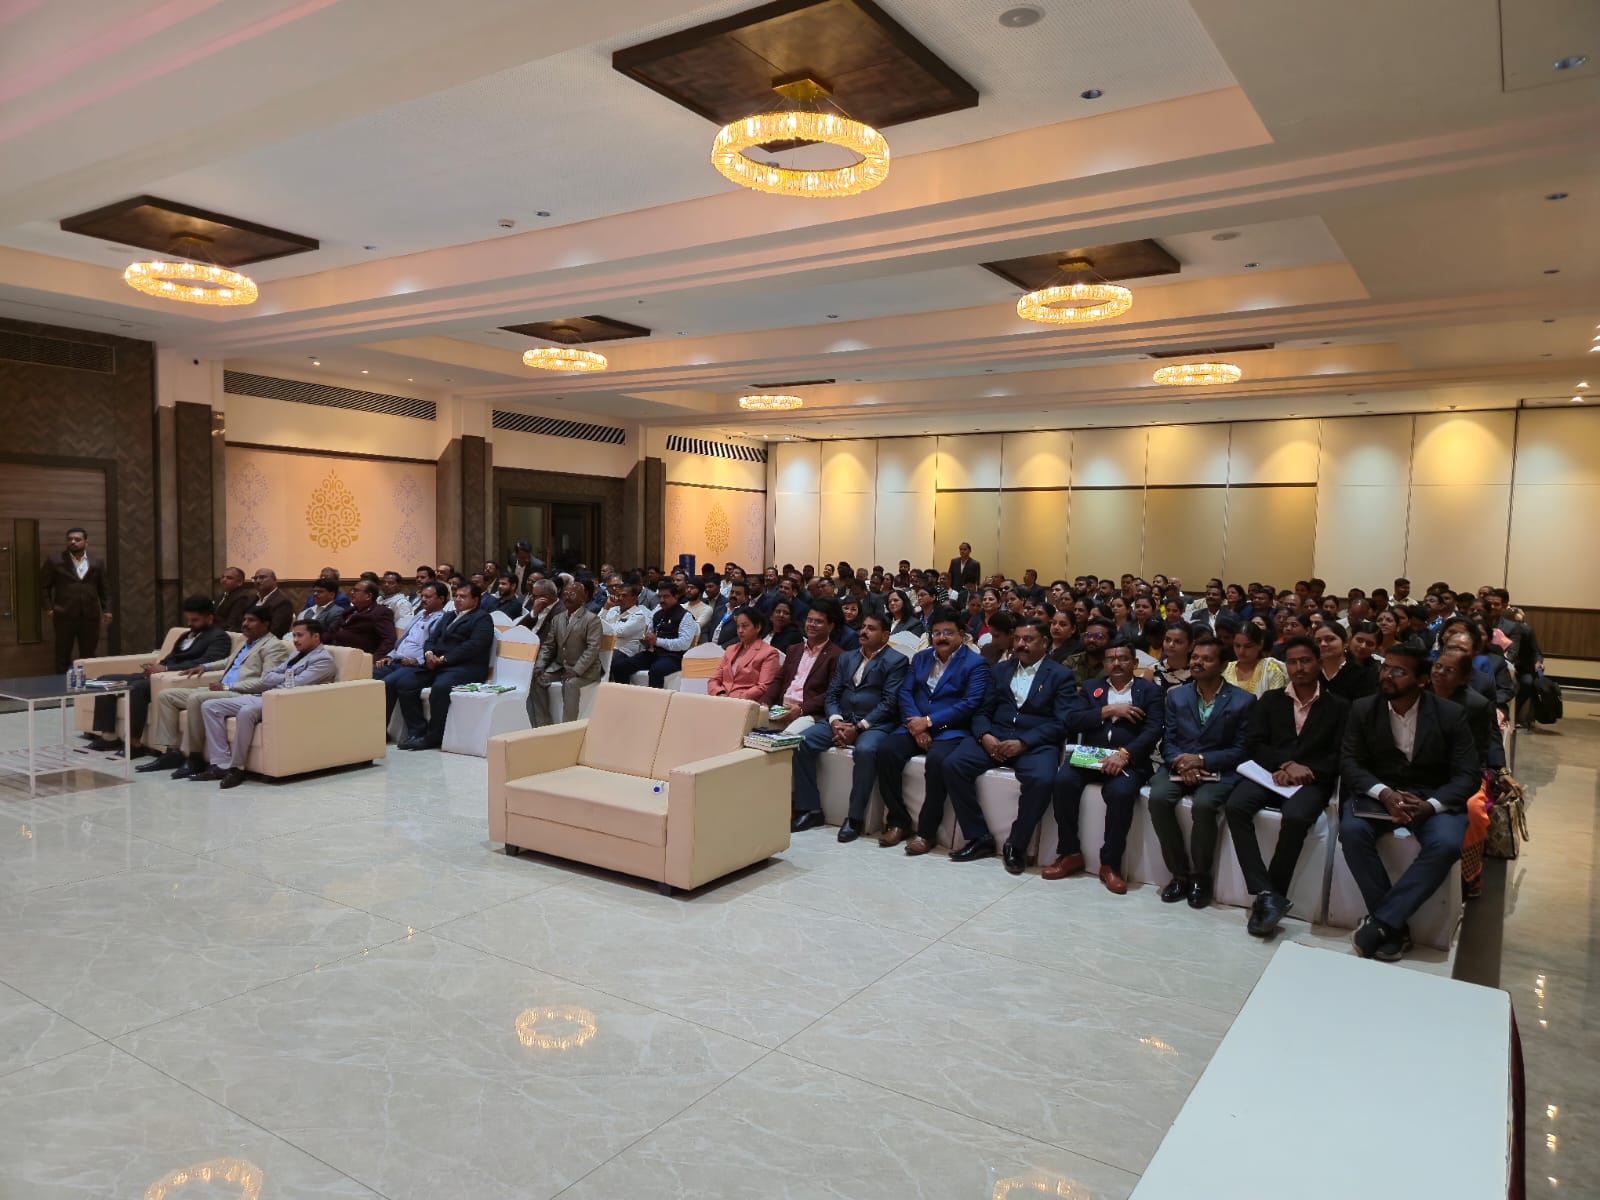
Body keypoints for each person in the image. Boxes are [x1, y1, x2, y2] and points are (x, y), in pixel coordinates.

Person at [1338, 643, 1479, 961]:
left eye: (1398, 671)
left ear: (1422, 679)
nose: (1387, 676)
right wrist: (1384, 793)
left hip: (1431, 797)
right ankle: (1394, 927)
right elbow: (1349, 762)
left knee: (1446, 844)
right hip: (1380, 794)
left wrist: (1431, 805)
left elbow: (1468, 774)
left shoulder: (1450, 715)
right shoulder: (1363, 709)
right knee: (1352, 832)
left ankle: (1382, 922)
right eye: (1385, 667)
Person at [1223, 636, 1350, 936]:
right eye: (1292, 662)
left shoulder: (1339, 706)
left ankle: (1272, 896)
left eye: (1305, 660)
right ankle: (1265, 892)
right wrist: (1284, 765)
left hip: (1312, 780)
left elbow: (1341, 753)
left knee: (1296, 817)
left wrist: (1308, 770)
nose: (1299, 667)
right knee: (1236, 806)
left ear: (1319, 662)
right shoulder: (1271, 700)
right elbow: (1255, 743)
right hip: (1271, 774)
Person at [944, 618, 1079, 871]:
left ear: (1044, 642)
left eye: (1028, 639)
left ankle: (1016, 844)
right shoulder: (999, 670)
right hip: (995, 736)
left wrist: (1024, 742)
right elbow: (982, 710)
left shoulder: (1061, 675)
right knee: (953, 764)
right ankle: (979, 836)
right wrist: (984, 735)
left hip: (1035, 742)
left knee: (1042, 779)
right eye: (1017, 639)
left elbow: (1063, 722)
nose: (1020, 644)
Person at [1049, 640, 1165, 893]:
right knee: (1063, 781)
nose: (1117, 663)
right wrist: (1109, 710)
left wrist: (1125, 754)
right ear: (1104, 663)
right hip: (1093, 754)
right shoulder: (1092, 687)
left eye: (1123, 658)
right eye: (1111, 659)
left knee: (1120, 793)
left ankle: (1110, 864)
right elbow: (1073, 720)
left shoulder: (1149, 691)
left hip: (1128, 758)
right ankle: (1069, 853)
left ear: (1134, 662)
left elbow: (1154, 729)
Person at [1147, 636, 1255, 908]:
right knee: (1158, 797)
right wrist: (1182, 763)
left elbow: (1242, 749)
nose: (1197, 662)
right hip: (1179, 765)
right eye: (1195, 657)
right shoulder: (1177, 695)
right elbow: (1168, 740)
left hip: (1220, 769)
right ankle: (1179, 874)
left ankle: (1200, 876)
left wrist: (1203, 760)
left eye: (1206, 659)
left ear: (1223, 665)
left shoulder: (1243, 700)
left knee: (1205, 805)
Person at [875, 608, 992, 855]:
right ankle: (898, 821)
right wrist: (916, 724)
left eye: (948, 632)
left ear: (961, 634)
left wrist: (928, 722)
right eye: (936, 633)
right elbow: (906, 693)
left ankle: (926, 833)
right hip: (915, 723)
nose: (941, 638)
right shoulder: (921, 658)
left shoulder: (976, 663)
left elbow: (970, 703)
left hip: (951, 729)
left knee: (938, 762)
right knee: (886, 751)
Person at [790, 612, 907, 841]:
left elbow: (889, 703)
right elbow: (832, 694)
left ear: (885, 635)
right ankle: (810, 809)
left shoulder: (897, 661)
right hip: (841, 719)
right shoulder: (847, 657)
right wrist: (835, 720)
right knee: (802, 743)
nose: (863, 631)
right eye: (863, 627)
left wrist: (859, 727)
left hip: (874, 724)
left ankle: (854, 818)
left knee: (865, 751)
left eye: (871, 628)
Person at [137, 606, 292, 776]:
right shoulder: (246, 642)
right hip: (221, 688)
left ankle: (195, 758)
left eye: (251, 620)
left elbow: (266, 682)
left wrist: (228, 687)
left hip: (240, 693)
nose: (245, 624)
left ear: (265, 624)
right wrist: (204, 666)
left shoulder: (273, 647)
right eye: (244, 619)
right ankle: (171, 752)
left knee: (196, 699)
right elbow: (229, 661)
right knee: (166, 696)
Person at [195, 617, 338, 788]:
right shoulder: (296, 654)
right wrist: (280, 678)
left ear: (316, 637)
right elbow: (268, 676)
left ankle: (237, 768)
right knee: (210, 706)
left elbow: (294, 685)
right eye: (294, 635)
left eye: (300, 635)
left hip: (285, 701)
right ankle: (221, 763)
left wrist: (277, 678)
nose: (295, 640)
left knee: (246, 711)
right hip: (264, 695)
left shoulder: (323, 660)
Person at [87, 595, 232, 755]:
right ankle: (109, 737)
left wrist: (166, 669)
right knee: (104, 681)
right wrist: (155, 667)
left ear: (209, 618)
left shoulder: (219, 637)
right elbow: (171, 657)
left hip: (175, 679)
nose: (189, 624)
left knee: (137, 688)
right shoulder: (186, 635)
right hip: (158, 676)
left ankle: (134, 744)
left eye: (194, 620)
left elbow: (205, 663)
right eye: (188, 619)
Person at [394, 583, 495, 749]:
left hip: (465, 667)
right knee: (406, 684)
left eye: (463, 597)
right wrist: (428, 654)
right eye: (456, 596)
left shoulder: (482, 618)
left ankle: (434, 736)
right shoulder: (448, 616)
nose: (458, 599)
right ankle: (417, 730)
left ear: (475, 600)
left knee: (440, 688)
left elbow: (474, 645)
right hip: (437, 664)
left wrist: (444, 659)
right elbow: (431, 639)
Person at [528, 578, 603, 727]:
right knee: (536, 679)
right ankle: (544, 725)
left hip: (586, 670)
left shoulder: (592, 619)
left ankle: (568, 728)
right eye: (565, 594)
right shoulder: (558, 618)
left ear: (583, 599)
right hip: (561, 666)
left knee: (570, 684)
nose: (567, 597)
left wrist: (576, 670)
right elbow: (548, 646)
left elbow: (593, 649)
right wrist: (540, 665)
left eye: (572, 594)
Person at [764, 599, 845, 733]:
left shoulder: (838, 655)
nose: (812, 625)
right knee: (746, 728)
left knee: (785, 738)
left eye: (818, 622)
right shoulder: (794, 649)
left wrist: (802, 709)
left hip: (807, 713)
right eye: (809, 620)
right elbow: (779, 680)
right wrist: (765, 702)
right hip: (781, 708)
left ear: (830, 626)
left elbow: (831, 693)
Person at [374, 580, 449, 722]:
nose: (423, 599)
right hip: (397, 660)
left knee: (388, 683)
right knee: (371, 674)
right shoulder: (420, 614)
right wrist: (390, 655)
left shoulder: (442, 620)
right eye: (422, 596)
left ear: (441, 599)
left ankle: (381, 727)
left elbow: (436, 646)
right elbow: (404, 640)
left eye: (428, 597)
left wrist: (417, 661)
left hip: (415, 665)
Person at [41, 526, 111, 671]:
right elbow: (43, 586)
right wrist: (49, 608)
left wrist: (107, 610)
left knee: (89, 654)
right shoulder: (55, 560)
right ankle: (61, 683)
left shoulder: (97, 561)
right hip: (64, 615)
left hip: (90, 615)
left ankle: (87, 682)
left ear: (86, 542)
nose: (73, 542)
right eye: (70, 539)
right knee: (62, 653)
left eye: (77, 539)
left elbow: (104, 588)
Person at [614, 580, 698, 688]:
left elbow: (683, 644)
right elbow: (650, 638)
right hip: (654, 654)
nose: (661, 600)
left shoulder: (686, 617)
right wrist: (646, 641)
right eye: (660, 597)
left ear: (676, 596)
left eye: (666, 597)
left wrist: (657, 641)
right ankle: (624, 695)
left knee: (656, 671)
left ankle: (655, 699)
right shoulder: (658, 614)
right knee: (620, 666)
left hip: (674, 657)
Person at [707, 609, 781, 702]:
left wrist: (736, 699)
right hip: (721, 700)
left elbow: (763, 686)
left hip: (745, 703)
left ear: (758, 627)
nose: (740, 631)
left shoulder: (769, 653)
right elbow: (714, 679)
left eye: (745, 626)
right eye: (738, 627)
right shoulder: (730, 650)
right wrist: (719, 694)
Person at [327, 578, 397, 659]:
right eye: (352, 590)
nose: (351, 593)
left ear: (368, 596)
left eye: (356, 591)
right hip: (336, 653)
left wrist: (372, 660)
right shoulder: (349, 611)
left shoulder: (380, 612)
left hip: (359, 658)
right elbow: (331, 631)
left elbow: (389, 640)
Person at [1313, 622, 1377, 700]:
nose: (1323, 644)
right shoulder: (1310, 672)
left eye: (1330, 639)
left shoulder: (1364, 675)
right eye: (1318, 641)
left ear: (1345, 643)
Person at [1223, 622, 1287, 696]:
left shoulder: (1271, 670)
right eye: (1237, 646)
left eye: (1248, 646)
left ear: (1260, 644)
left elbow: (1275, 700)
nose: (1241, 651)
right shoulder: (1225, 669)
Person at [249, 569, 296, 636]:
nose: (258, 581)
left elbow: (277, 631)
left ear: (274, 580)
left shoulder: (282, 602)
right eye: (255, 578)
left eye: (262, 577)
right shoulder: (252, 599)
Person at [1150, 621, 1194, 690]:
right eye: (1167, 640)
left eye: (1178, 641)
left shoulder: (1197, 673)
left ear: (1190, 646)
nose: (1171, 645)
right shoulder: (1152, 671)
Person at [213, 567, 254, 633]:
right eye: (223, 577)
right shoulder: (221, 595)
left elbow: (232, 623)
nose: (224, 580)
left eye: (229, 578)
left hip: (228, 633)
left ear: (239, 582)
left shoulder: (242, 598)